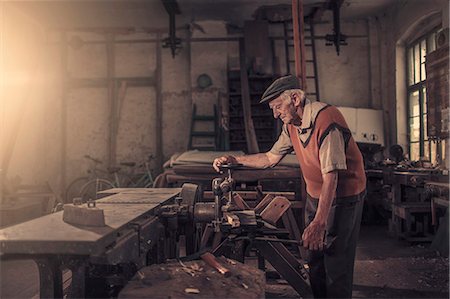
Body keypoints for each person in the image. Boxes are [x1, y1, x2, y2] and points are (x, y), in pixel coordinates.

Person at [213, 75, 366, 298]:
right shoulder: (292, 125)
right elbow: (269, 158)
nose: (275, 114)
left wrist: (319, 222)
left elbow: (331, 176)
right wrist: (235, 160)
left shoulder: (327, 121)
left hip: (343, 197)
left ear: (295, 98)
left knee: (335, 260)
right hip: (317, 195)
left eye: (277, 107)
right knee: (313, 255)